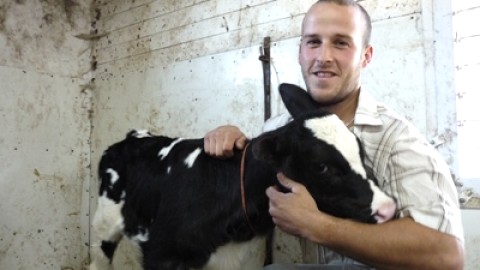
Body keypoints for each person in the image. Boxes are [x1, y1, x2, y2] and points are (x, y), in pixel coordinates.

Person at [204, 0, 465, 269]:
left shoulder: (397, 141)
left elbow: (446, 257)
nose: (323, 56)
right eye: (313, 42)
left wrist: (319, 227)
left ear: (366, 55)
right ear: (300, 52)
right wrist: (237, 148)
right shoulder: (275, 130)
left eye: (341, 43)